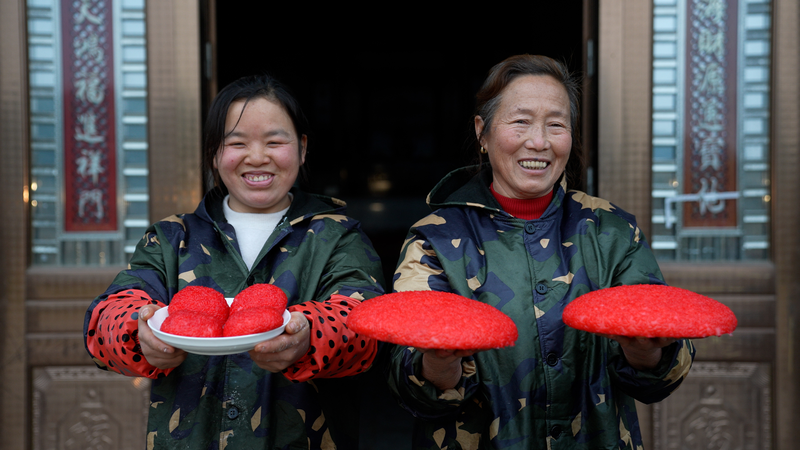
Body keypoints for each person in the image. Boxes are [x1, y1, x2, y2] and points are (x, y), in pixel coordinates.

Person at [388, 55, 695, 449]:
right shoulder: (437, 240)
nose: (539, 141)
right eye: (521, 122)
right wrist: (438, 362)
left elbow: (666, 372)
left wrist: (646, 353)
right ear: (482, 132)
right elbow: (406, 383)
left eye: (556, 124)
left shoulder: (611, 231)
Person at [83, 74, 385, 449]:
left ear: (302, 148)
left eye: (275, 142)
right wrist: (138, 334)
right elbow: (105, 319)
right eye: (237, 143)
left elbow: (365, 325)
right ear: (213, 153)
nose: (257, 157)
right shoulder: (171, 238)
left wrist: (310, 335)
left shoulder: (337, 237)